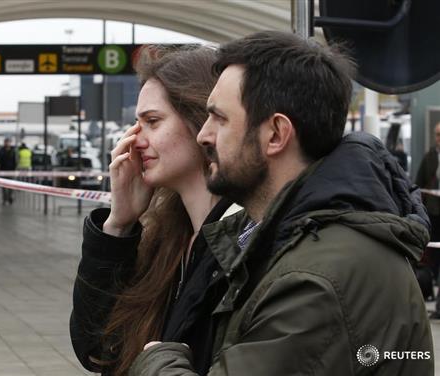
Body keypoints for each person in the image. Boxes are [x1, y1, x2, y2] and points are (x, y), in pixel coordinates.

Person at [129, 31, 434, 375]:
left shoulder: (314, 279)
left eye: (220, 118)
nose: (204, 135)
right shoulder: (275, 239)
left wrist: (157, 361)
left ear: (275, 134)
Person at [69, 46, 238, 376]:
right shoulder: (172, 237)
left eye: (152, 122)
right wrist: (118, 225)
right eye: (137, 123)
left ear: (203, 122)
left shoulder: (241, 241)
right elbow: (98, 349)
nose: (134, 140)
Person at [416, 121, 440, 319]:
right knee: (432, 251)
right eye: (437, 134)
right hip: (433, 212)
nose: (439, 138)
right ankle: (431, 285)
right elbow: (419, 184)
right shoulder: (429, 158)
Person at [0, 138, 16, 205]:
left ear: (10, 143)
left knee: (11, 186)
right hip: (3, 170)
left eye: (8, 142)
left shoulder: (13, 151)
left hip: (11, 171)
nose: (7, 143)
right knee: (3, 186)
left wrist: (15, 169)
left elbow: (15, 160)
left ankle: (10, 197)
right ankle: (5, 199)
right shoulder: (1, 150)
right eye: (6, 142)